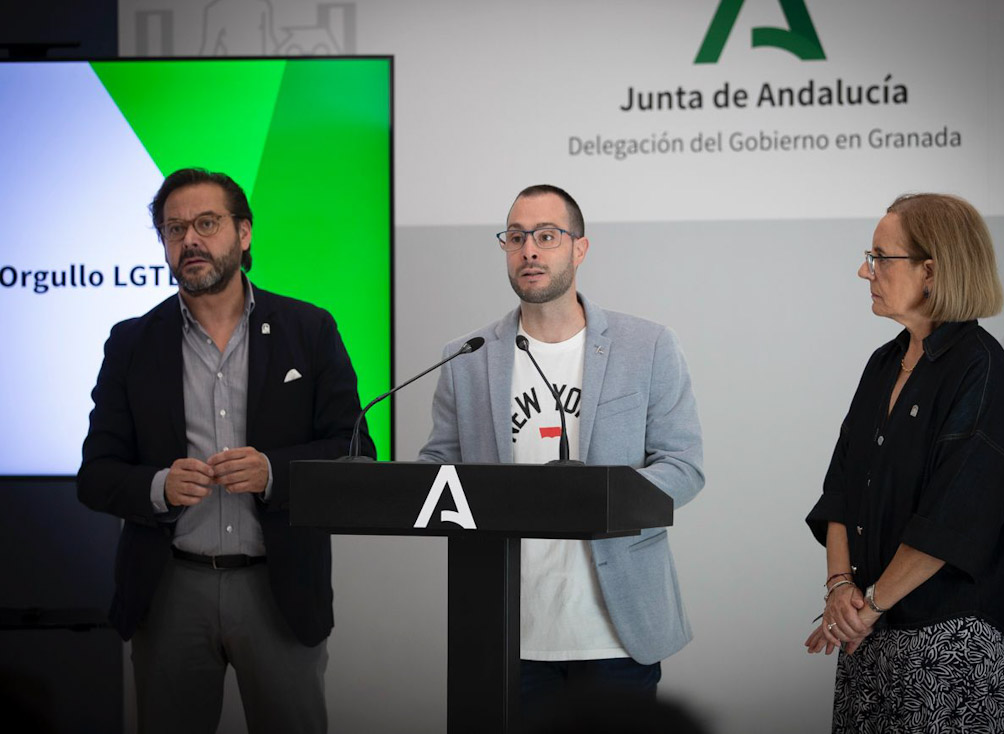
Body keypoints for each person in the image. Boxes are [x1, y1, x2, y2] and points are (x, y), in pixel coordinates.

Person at [78, 167, 369, 734]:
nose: (189, 240)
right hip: (169, 590)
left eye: (206, 223)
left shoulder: (308, 329)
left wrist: (271, 472)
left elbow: (357, 451)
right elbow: (96, 474)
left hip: (278, 586)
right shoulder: (132, 342)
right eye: (174, 229)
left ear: (244, 233)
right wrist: (157, 487)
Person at [418, 185, 704, 714]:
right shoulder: (467, 358)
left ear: (580, 248)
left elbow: (683, 467)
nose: (529, 250)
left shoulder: (648, 346)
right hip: (509, 630)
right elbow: (437, 466)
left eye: (547, 236)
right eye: (517, 237)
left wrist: (602, 497)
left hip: (617, 633)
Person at [805, 193, 1004, 732]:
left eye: (881, 257)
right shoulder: (883, 363)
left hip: (948, 646)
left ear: (931, 271)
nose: (865, 270)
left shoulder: (981, 369)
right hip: (866, 635)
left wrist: (868, 605)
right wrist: (840, 589)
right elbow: (841, 490)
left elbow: (953, 519)